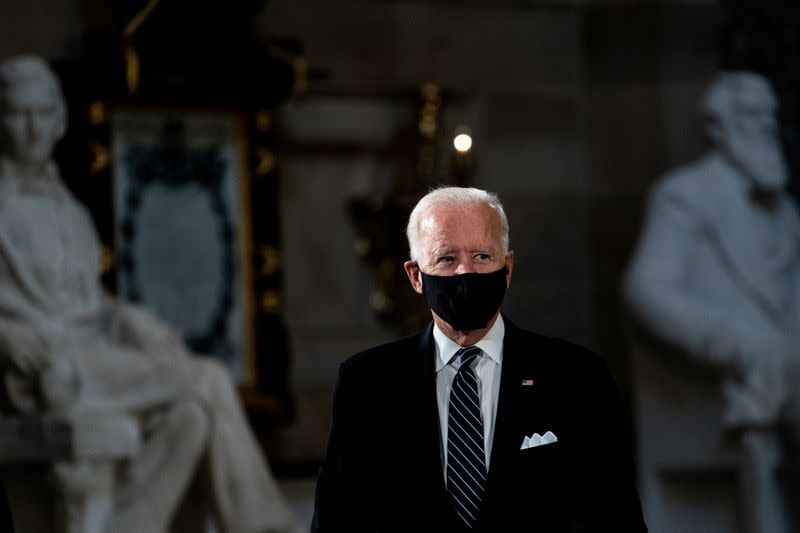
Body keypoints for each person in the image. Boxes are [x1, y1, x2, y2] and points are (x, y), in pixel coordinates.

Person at [0, 55, 302, 533]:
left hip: (92, 352)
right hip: (42, 369)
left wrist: (127, 318)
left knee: (189, 418)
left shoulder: (68, 209)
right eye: (19, 114)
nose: (33, 129)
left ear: (59, 121)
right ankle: (265, 529)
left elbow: (87, 302)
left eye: (43, 113)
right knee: (206, 380)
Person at [312, 186, 647, 531]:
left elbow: (616, 519)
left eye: (481, 257)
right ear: (415, 276)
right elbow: (337, 520)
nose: (464, 273)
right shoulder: (366, 383)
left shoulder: (579, 378)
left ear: (508, 268)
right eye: (446, 258)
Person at [623, 71, 800, 533]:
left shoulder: (784, 210)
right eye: (750, 115)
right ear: (719, 127)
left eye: (769, 115)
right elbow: (647, 289)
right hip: (720, 378)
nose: (764, 125)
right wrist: (732, 340)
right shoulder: (686, 195)